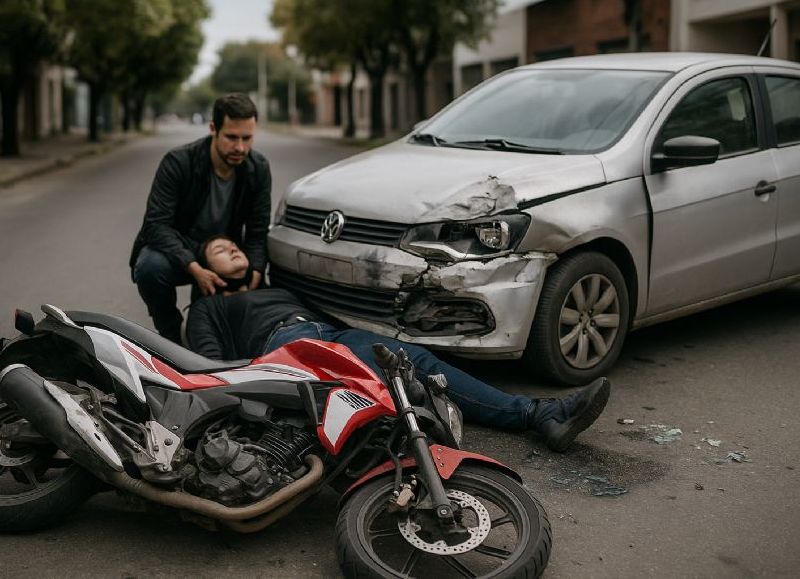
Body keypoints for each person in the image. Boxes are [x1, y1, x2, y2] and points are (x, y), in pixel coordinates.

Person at [186, 235, 611, 452]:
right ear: (207, 270)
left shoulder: (277, 287)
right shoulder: (210, 307)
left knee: (416, 363)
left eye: (235, 244)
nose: (234, 249)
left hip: (332, 333)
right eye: (222, 249)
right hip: (284, 345)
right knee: (370, 391)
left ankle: (539, 415)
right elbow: (212, 364)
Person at [129, 94, 271, 343]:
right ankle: (171, 336)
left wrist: (255, 273)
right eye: (231, 137)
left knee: (263, 293)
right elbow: (156, 225)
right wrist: (194, 267)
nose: (240, 148)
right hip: (183, 249)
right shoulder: (179, 162)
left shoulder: (257, 168)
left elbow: (258, 231)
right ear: (213, 129)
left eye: (247, 138)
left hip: (223, 252)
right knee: (150, 267)